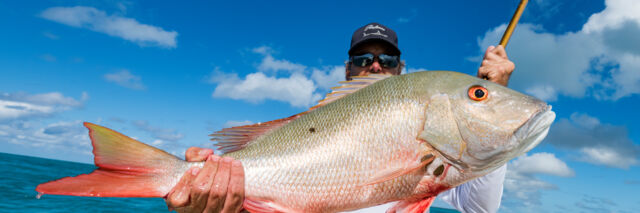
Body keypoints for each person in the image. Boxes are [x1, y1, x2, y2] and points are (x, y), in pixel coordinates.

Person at [165, 22, 515, 213]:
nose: (375, 66)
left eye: (387, 61)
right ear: (348, 69)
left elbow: (479, 209)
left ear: (400, 69)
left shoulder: (429, 144)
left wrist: (491, 119)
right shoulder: (310, 126)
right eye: (363, 60)